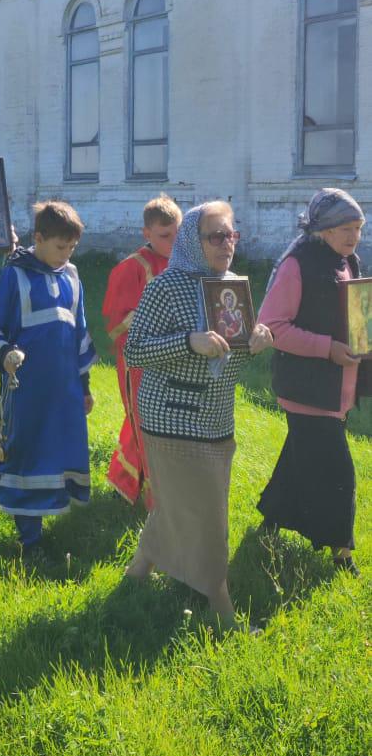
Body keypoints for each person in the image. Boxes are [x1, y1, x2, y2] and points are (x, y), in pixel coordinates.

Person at [124, 202, 273, 627]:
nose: (227, 244)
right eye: (216, 237)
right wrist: (189, 341)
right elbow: (135, 351)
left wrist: (255, 342)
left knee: (182, 502)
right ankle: (220, 606)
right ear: (193, 240)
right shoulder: (166, 287)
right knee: (209, 514)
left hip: (216, 417)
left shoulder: (232, 287)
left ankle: (142, 565)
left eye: (231, 235)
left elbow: (229, 365)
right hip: (171, 415)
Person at [256, 188, 367, 577]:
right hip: (307, 388)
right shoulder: (297, 265)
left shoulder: (346, 260)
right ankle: (341, 552)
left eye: (358, 227)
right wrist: (328, 348)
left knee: (300, 456)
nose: (354, 236)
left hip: (338, 387)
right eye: (345, 228)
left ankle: (271, 518)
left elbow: (353, 317)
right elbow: (272, 327)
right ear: (323, 229)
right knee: (339, 469)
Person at [0, 201, 97, 559]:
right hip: (27, 389)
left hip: (64, 391)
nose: (66, 254)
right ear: (39, 238)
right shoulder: (15, 275)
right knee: (28, 454)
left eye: (72, 248)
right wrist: (4, 354)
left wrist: (85, 385)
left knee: (58, 453)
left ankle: (52, 517)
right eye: (60, 247)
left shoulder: (73, 276)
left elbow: (81, 333)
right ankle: (29, 538)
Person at [103, 194, 182, 508]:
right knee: (144, 421)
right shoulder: (131, 269)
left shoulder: (182, 263)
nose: (172, 243)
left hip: (176, 359)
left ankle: (130, 480)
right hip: (140, 364)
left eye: (177, 235)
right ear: (146, 233)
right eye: (165, 236)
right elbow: (116, 321)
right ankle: (153, 495)